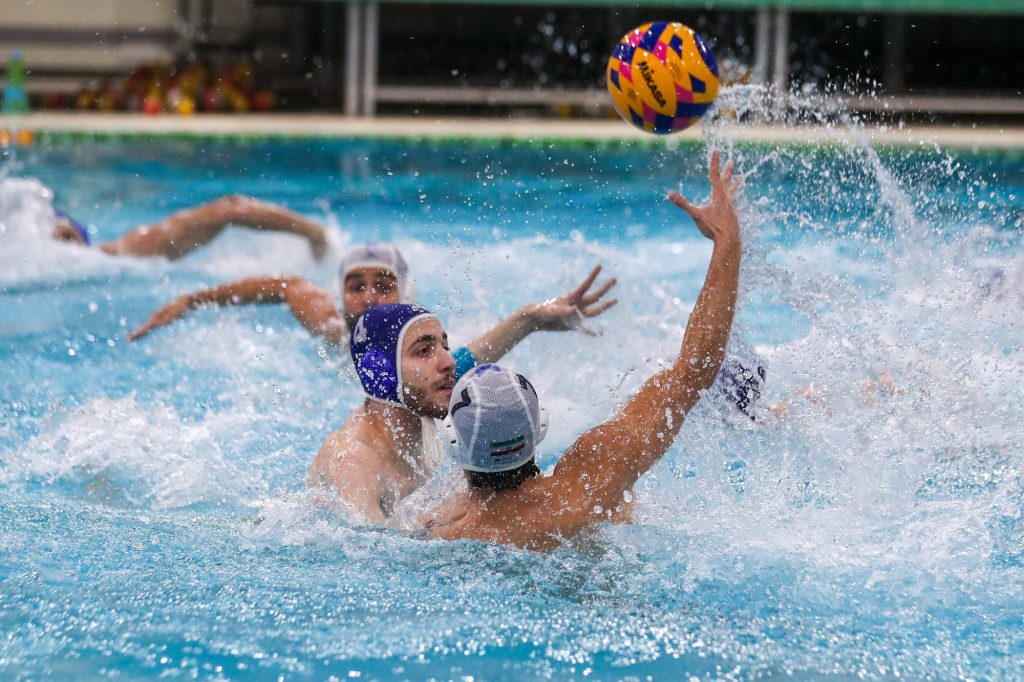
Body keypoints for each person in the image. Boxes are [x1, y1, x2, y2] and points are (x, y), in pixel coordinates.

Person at [420, 150, 741, 550]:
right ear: (539, 429)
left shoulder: (445, 535)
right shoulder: (586, 486)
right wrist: (727, 240)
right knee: (623, 510)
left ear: (454, 442)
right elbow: (692, 373)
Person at [309, 263, 617, 523]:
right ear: (382, 372)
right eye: (424, 350)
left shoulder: (415, 395)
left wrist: (530, 319)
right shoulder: (355, 463)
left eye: (443, 345)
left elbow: (475, 355)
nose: (449, 362)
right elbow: (372, 556)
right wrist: (438, 519)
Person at [127, 243, 618, 380]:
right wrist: (192, 299)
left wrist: (528, 319)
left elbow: (460, 363)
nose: (367, 298)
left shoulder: (422, 340)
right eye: (355, 286)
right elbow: (286, 285)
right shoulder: (329, 326)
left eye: (383, 287)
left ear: (404, 294)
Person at [49, 194, 328, 260]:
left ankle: (314, 232)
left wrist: (313, 233)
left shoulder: (122, 253)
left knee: (227, 209)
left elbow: (229, 209)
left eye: (65, 234)